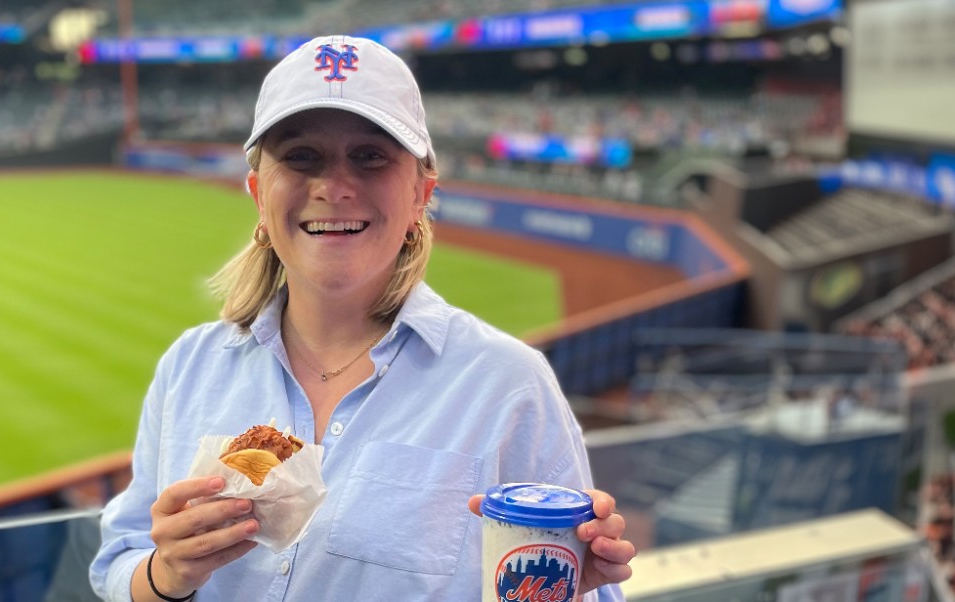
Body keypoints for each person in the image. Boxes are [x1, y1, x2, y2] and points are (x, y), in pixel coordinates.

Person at [90, 35, 634, 602]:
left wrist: (564, 590)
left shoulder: (507, 383)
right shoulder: (190, 365)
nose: (334, 187)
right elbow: (118, 561)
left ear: (421, 194)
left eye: (371, 156)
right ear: (258, 192)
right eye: (301, 156)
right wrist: (165, 575)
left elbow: (570, 584)